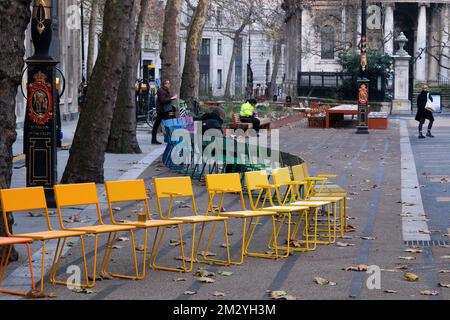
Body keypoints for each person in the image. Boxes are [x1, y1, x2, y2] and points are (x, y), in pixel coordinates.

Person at [152, 80, 178, 145]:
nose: (169, 85)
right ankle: (155, 139)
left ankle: (167, 138)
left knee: (168, 123)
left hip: (165, 110)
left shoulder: (165, 90)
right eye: (168, 83)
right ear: (165, 84)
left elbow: (166, 98)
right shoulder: (161, 91)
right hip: (162, 111)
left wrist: (172, 97)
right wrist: (172, 98)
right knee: (159, 124)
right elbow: (163, 100)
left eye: (169, 83)